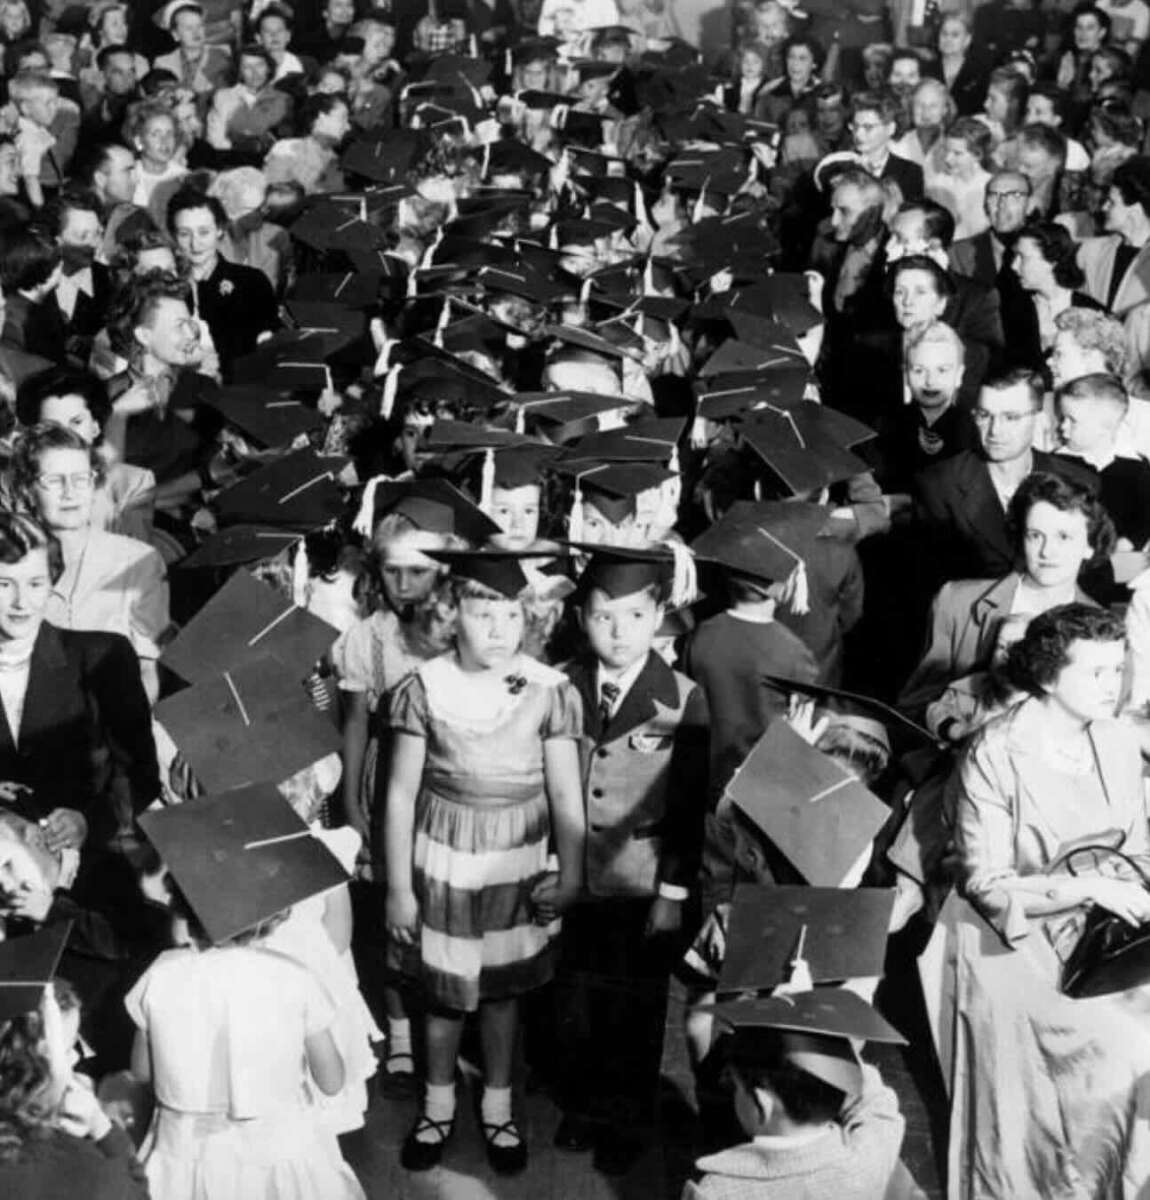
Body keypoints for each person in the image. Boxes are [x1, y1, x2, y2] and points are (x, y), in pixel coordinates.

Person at [383, 549, 585, 1174]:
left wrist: (572, 872)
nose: (497, 629)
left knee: (502, 993)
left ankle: (498, 1105)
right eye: (481, 613)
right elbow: (398, 792)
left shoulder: (551, 691)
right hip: (442, 855)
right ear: (451, 615)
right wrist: (398, 888)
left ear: (530, 619)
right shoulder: (425, 688)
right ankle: (437, 1102)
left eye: (509, 614)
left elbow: (564, 792)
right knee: (444, 994)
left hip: (515, 859)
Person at [938, 603, 1150, 1196]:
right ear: (1050, 675)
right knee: (1129, 1046)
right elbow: (985, 884)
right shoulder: (995, 752)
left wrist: (1129, 896)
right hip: (1015, 933)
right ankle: (1078, 1182)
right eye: (1097, 673)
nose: (1114, 687)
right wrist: (1088, 889)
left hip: (1108, 922)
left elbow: (1139, 848)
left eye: (1118, 670)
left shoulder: (1116, 741)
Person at [126, 793, 366, 1200]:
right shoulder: (294, 978)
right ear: (273, 914)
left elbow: (143, 1072)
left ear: (182, 909)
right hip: (278, 1155)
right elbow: (331, 1080)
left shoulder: (161, 976)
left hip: (185, 1157)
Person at [555, 546, 709, 1175]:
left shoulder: (683, 697)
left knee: (636, 1009)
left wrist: (673, 896)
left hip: (641, 883)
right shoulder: (559, 684)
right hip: (572, 878)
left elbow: (690, 806)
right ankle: (582, 1104)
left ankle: (625, 1113)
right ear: (580, 618)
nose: (618, 633)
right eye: (602, 617)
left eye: (633, 617)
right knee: (575, 1000)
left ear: (658, 618)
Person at [900, 471, 1111, 730]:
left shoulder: (1103, 628)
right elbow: (915, 705)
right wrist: (956, 733)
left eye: (1063, 537)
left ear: (1090, 546)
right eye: (1035, 535)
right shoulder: (958, 602)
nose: (1046, 551)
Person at [12, 424, 170, 703]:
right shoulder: (11, 564)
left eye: (81, 478)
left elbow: (149, 669)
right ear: (27, 489)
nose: (70, 492)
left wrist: (116, 726)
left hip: (121, 725)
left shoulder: (138, 561)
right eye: (54, 480)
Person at [0, 929, 149, 1199]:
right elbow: (135, 1192)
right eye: (67, 1049)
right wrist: (102, 1128)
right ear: (37, 1065)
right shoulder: (82, 1171)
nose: (75, 1059)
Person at [914, 369, 1097, 585]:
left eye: (1011, 417)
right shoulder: (939, 485)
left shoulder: (1080, 481)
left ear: (1039, 420)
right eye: (984, 415)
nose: (995, 431)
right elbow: (932, 583)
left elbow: (1093, 573)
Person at [16, 367, 155, 543]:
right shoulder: (15, 485)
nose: (66, 434)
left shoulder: (134, 483)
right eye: (53, 426)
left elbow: (139, 561)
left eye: (76, 422)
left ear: (95, 427)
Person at [167, 188, 280, 380]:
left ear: (219, 229)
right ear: (173, 235)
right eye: (185, 234)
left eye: (204, 232)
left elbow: (269, 344)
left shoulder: (251, 282)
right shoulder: (165, 286)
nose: (195, 244)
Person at [929, 117, 993, 241]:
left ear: (977, 155)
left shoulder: (991, 186)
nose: (948, 159)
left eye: (957, 153)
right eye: (946, 150)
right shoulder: (937, 183)